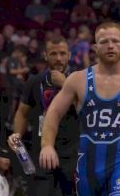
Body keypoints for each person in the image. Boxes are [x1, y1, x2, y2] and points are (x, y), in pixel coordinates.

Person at [39, 22, 120, 196]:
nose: (111, 46)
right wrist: (47, 145)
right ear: (95, 48)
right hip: (86, 168)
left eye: (115, 41)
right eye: (104, 41)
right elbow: (53, 112)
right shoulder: (78, 79)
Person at [7, 37, 79, 196]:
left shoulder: (80, 79)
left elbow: (87, 108)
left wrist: (65, 84)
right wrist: (17, 134)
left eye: (62, 53)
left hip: (71, 153)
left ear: (69, 55)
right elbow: (22, 112)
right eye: (53, 54)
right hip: (42, 151)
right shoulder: (35, 81)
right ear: (46, 55)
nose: (58, 58)